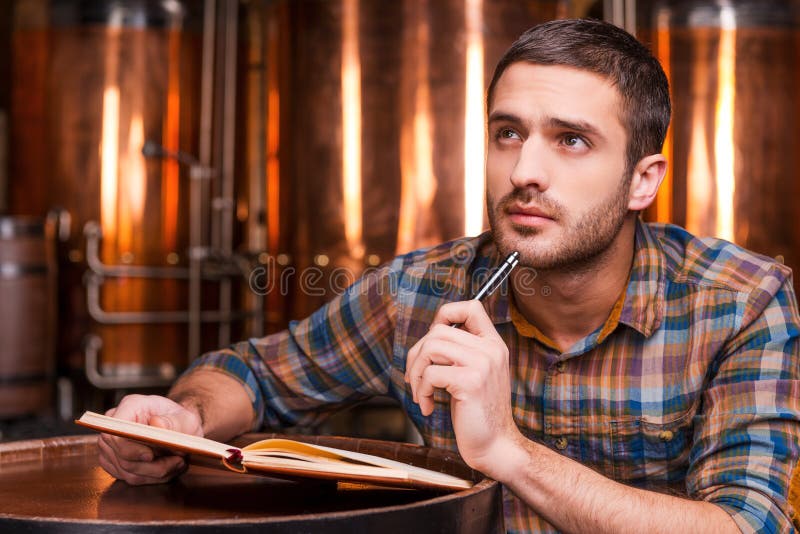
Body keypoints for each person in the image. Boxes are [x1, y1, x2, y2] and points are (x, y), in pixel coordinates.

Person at [98, 18, 800, 533]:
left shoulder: (739, 303)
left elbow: (746, 528)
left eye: (572, 140)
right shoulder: (419, 291)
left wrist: (507, 452)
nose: (525, 170)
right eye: (508, 133)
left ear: (643, 180)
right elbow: (254, 375)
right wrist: (182, 421)